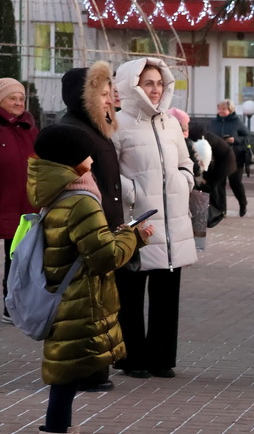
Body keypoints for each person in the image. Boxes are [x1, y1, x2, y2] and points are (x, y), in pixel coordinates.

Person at [25, 124, 152, 434]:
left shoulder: (56, 192)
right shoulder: (79, 199)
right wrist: (134, 236)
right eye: (87, 155)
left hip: (67, 299)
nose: (93, 159)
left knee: (66, 382)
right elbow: (103, 257)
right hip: (77, 302)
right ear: (72, 161)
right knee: (64, 383)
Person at [112, 58, 197, 379]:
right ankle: (132, 359)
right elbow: (108, 171)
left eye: (159, 83)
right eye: (148, 83)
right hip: (136, 221)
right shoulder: (117, 123)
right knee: (130, 292)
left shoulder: (170, 123)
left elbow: (186, 159)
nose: (156, 89)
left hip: (172, 219)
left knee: (166, 291)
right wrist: (131, 191)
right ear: (132, 85)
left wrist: (184, 179)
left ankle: (162, 358)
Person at [58, 63, 124, 392]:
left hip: (102, 225)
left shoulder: (97, 130)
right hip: (86, 228)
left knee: (99, 303)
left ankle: (95, 369)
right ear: (83, 98)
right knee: (84, 306)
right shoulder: (75, 132)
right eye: (101, 94)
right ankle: (84, 371)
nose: (109, 99)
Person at [0, 77, 38, 323]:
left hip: (27, 203)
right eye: (12, 98)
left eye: (21, 98)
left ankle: (15, 305)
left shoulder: (30, 128)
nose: (18, 102)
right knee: (13, 255)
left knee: (21, 257)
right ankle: (10, 305)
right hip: (5, 201)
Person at [188, 123, 236, 228]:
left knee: (213, 185)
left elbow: (210, 161)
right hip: (226, 161)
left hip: (225, 163)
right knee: (219, 186)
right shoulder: (206, 137)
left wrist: (206, 177)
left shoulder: (204, 142)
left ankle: (215, 210)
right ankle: (222, 210)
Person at [208, 99, 249, 217]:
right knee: (219, 183)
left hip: (236, 156)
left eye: (223, 109)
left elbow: (246, 137)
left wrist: (234, 140)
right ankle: (221, 210)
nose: (221, 111)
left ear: (230, 110)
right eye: (219, 109)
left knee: (235, 182)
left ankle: (243, 203)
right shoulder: (214, 122)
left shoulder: (237, 122)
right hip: (218, 156)